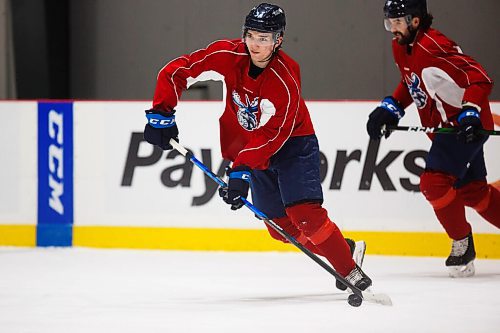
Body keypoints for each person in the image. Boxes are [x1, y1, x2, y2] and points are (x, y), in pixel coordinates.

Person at [143, 3, 372, 291]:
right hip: (251, 149)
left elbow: (274, 134)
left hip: (292, 145)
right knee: (280, 228)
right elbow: (177, 70)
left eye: (263, 38)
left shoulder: (285, 79)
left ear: (278, 40)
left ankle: (350, 272)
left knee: (305, 215)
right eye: (251, 35)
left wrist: (241, 168)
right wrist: (162, 113)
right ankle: (344, 250)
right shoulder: (228, 54)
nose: (254, 44)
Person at [367, 0, 499, 277]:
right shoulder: (402, 45)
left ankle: (462, 245)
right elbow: (413, 81)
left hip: (460, 128)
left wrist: (471, 112)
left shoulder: (433, 46)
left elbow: (480, 78)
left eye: (397, 22)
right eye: (388, 22)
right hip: (447, 129)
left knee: (433, 182)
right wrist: (391, 107)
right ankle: (464, 241)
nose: (392, 29)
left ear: (416, 21)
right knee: (473, 191)